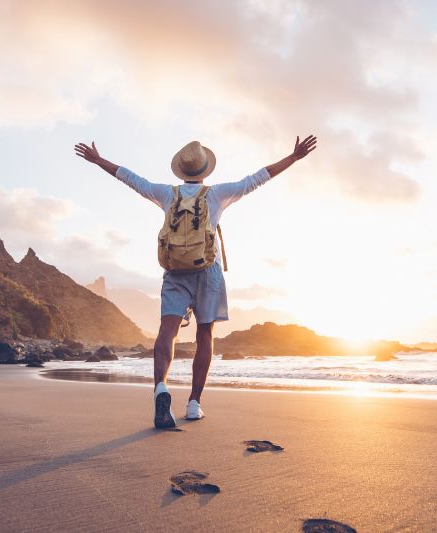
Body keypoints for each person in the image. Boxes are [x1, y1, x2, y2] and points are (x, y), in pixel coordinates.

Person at [74, 135, 317, 428]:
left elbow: (131, 179)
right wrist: (292, 158)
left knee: (168, 331)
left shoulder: (166, 194)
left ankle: (161, 388)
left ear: (181, 170)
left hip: (175, 271)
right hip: (208, 272)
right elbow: (257, 178)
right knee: (204, 334)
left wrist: (99, 160)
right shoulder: (217, 194)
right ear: (204, 171)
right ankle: (193, 404)